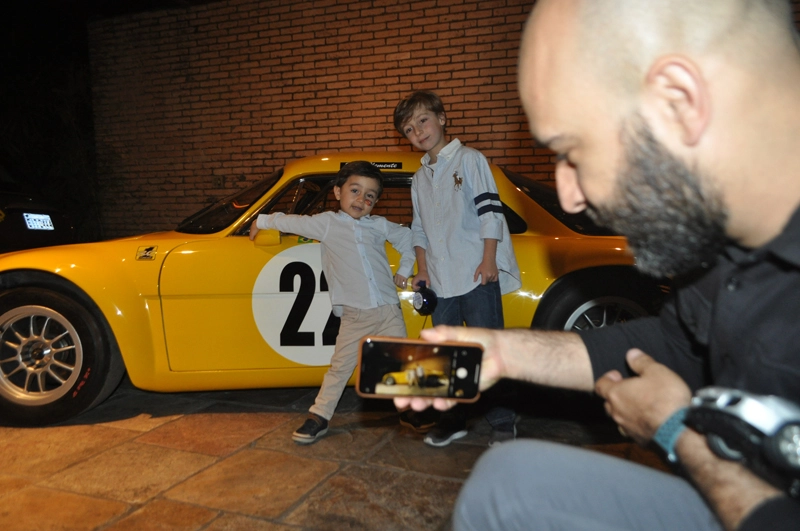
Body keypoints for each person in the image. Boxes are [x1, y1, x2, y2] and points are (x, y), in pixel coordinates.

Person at [396, 0, 800, 529]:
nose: (570, 195)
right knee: (504, 480)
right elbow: (673, 345)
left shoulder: (469, 163)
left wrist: (675, 431)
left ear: (680, 100)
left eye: (573, 151)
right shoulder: (724, 255)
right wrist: (501, 350)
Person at [250, 160, 415, 444]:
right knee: (340, 367)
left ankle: (411, 411)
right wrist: (262, 220)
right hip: (354, 315)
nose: (361, 199)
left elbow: (409, 239)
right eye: (355, 190)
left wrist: (404, 269)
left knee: (400, 362)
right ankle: (319, 416)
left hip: (388, 309)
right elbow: (292, 221)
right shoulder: (327, 223)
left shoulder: (379, 226)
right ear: (338, 192)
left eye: (370, 196)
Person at [393, 91, 522, 447]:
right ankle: (453, 420)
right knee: (445, 354)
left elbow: (490, 212)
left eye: (423, 120)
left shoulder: (469, 159)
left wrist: (489, 258)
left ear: (442, 118)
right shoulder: (419, 179)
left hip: (476, 271)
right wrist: (422, 269)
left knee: (487, 347)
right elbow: (419, 228)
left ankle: (502, 421)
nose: (418, 131)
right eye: (409, 128)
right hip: (440, 278)